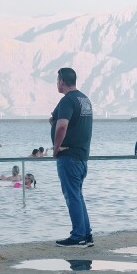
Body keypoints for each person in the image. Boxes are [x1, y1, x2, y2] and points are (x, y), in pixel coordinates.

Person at [50, 67, 94, 247]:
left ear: (61, 81)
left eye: (57, 80)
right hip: (82, 155)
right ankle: (86, 234)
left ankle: (77, 236)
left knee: (72, 196)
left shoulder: (68, 101)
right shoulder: (84, 99)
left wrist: (56, 148)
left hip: (69, 155)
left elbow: (61, 126)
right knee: (78, 195)